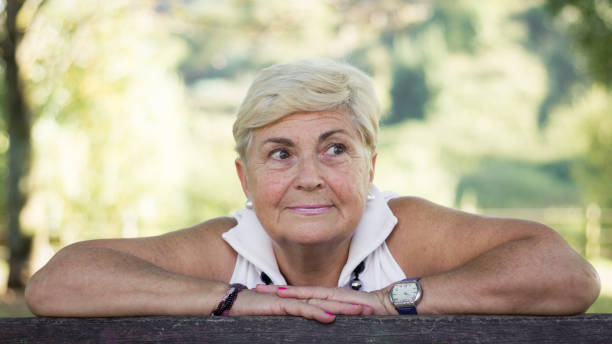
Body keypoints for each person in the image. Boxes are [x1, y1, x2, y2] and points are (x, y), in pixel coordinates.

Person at [25, 58, 600, 323]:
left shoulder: (407, 231)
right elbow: (58, 285)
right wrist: (239, 299)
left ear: (370, 169)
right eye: (280, 154)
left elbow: (567, 274)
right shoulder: (227, 247)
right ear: (244, 179)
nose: (309, 177)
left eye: (334, 149)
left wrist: (388, 299)